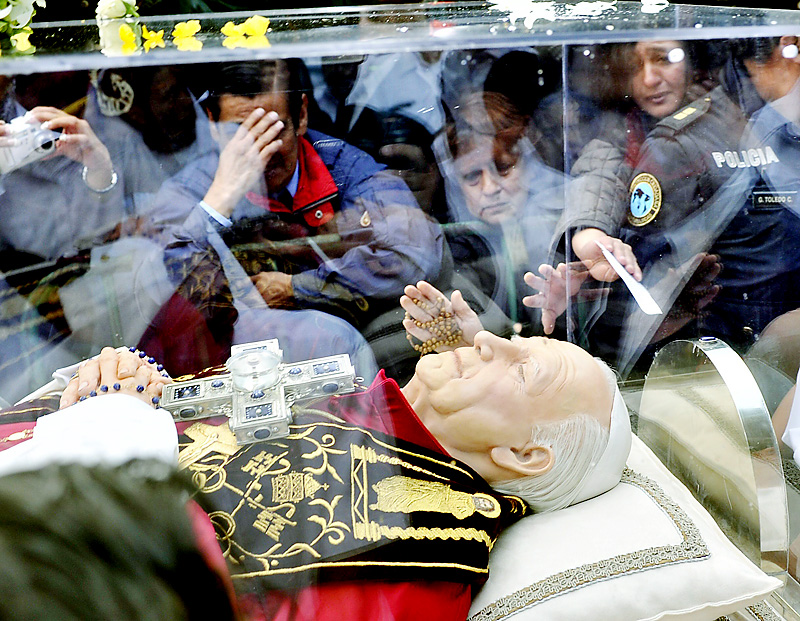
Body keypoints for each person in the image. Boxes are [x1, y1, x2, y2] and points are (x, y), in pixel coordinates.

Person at [48, 324, 630, 621]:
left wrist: (110, 431)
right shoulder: (367, 407)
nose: (485, 339)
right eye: (516, 340)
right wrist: (133, 384)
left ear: (523, 456)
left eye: (524, 371)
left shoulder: (414, 558)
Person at [150, 58, 444, 331]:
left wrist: (295, 288)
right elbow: (156, 285)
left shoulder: (345, 167)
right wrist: (219, 200)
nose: (261, 151)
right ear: (212, 124)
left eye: (274, 130)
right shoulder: (192, 187)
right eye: (240, 133)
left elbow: (414, 255)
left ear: (301, 115)